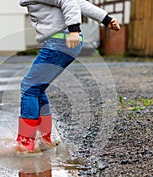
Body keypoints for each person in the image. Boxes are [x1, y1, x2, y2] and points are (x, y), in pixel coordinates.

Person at [15, 0, 120, 153]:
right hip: (64, 41)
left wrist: (74, 30)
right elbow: (78, 2)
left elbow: (69, 1)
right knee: (37, 88)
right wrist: (106, 19)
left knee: (29, 87)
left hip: (60, 41)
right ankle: (44, 139)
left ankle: (25, 143)